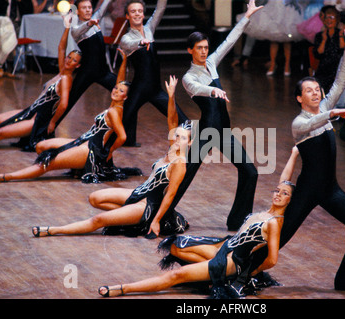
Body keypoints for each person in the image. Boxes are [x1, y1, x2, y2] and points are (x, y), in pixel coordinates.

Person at [243, 22, 345, 295]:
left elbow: (340, 81)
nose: (316, 92)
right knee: (283, 236)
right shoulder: (299, 122)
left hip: (331, 190)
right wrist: (332, 114)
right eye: (310, 90)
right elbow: (314, 123)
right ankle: (243, 270)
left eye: (317, 89)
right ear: (299, 98)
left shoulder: (325, 107)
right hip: (308, 190)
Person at [96, 145, 299, 298]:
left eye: (284, 194)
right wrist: (294, 153)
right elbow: (285, 178)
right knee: (175, 247)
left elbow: (272, 260)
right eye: (278, 191)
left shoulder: (275, 222)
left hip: (232, 261)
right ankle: (206, 277)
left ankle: (122, 289)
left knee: (177, 275)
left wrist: (246, 275)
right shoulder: (270, 210)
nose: (278, 195)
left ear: (291, 201)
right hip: (223, 245)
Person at [31, 75, 190, 238]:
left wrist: (156, 221)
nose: (177, 140)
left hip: (148, 205)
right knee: (95, 198)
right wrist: (171, 97)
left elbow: (170, 195)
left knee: (98, 220)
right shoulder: (173, 147)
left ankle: (52, 230)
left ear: (190, 143)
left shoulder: (180, 164)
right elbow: (172, 119)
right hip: (139, 193)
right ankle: (128, 217)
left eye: (183, 138)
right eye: (177, 135)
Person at [163, 0, 262, 232]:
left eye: (206, 47)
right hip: (208, 131)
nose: (204, 51)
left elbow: (230, 41)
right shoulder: (189, 77)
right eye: (199, 48)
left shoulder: (212, 63)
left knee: (250, 171)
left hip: (223, 131)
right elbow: (198, 90)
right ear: (190, 50)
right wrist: (214, 90)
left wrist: (246, 17)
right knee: (186, 174)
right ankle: (162, 213)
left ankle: (238, 220)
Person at [0, 46, 128, 183]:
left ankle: (6, 177)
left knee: (46, 163)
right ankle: (75, 165)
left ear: (125, 98)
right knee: (40, 146)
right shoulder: (114, 105)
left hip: (89, 150)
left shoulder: (114, 112)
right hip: (83, 141)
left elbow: (122, 136)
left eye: (121, 91)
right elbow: (120, 82)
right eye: (115, 88)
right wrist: (124, 61)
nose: (116, 91)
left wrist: (109, 151)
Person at [0, 13, 80, 151]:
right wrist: (66, 28)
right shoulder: (62, 72)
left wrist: (52, 123)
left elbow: (64, 104)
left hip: (38, 119)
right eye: (69, 57)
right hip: (32, 110)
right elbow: (61, 48)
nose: (69, 61)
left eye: (74, 60)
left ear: (77, 66)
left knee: (0, 133)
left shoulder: (66, 79)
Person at [120, 0, 188, 146]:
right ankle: (124, 141)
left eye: (139, 11)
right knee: (121, 121)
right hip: (139, 89)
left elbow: (160, 8)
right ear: (127, 16)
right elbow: (129, 44)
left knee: (182, 119)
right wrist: (141, 43)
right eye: (133, 11)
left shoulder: (149, 28)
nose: (137, 14)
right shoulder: (126, 38)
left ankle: (197, 141)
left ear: (143, 13)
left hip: (156, 89)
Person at [56, 0, 118, 131]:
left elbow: (104, 5)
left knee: (127, 94)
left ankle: (128, 136)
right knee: (69, 101)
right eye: (84, 8)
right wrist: (90, 23)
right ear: (77, 11)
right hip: (86, 73)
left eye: (90, 7)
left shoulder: (95, 19)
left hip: (103, 72)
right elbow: (81, 29)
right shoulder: (75, 29)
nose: (89, 10)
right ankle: (46, 129)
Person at [240, 0, 304, 76]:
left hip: (286, 7)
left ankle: (287, 65)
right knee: (273, 37)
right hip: (274, 7)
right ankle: (273, 64)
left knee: (287, 36)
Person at [313, 5, 345, 93]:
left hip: (338, 70)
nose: (329, 20)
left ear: (337, 20)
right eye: (326, 18)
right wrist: (324, 40)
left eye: (331, 17)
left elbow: (344, 52)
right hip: (323, 70)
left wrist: (341, 37)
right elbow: (317, 55)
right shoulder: (319, 35)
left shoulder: (341, 34)